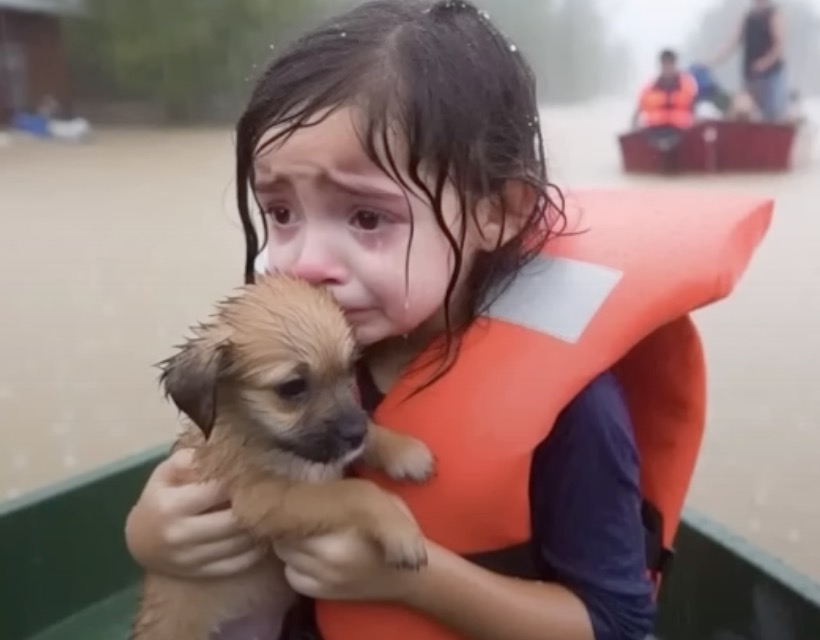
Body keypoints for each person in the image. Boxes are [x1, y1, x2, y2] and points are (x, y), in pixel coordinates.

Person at [123, 2, 770, 640]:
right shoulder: (302, 345)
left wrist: (415, 578)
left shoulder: (576, 414)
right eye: (282, 212)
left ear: (498, 212)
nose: (307, 262)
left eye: (367, 217)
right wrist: (152, 534)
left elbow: (619, 626)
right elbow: (219, 474)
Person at [706, 0, 788, 121]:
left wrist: (765, 63)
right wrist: (712, 61)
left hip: (771, 75)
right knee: (744, 112)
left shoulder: (774, 14)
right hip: (751, 75)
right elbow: (732, 42)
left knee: (773, 114)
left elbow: (779, 46)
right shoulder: (748, 17)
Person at [632, 49, 698, 150]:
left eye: (670, 63)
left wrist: (695, 128)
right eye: (664, 63)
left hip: (679, 131)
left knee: (678, 140)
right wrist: (634, 130)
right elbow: (637, 113)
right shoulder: (649, 88)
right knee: (655, 141)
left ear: (675, 64)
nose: (667, 66)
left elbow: (693, 110)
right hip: (654, 131)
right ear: (661, 65)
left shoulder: (687, 85)